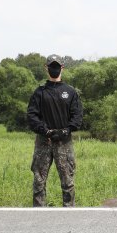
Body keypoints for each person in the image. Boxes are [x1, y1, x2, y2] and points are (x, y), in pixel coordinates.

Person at [26, 54, 83, 207]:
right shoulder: (39, 92)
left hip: (64, 142)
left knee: (68, 182)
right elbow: (32, 116)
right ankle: (39, 213)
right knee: (39, 181)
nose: (54, 68)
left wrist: (65, 131)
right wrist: (45, 131)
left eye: (57, 66)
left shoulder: (70, 92)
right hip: (44, 141)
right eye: (52, 65)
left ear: (62, 68)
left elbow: (77, 116)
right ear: (46, 68)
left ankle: (69, 213)